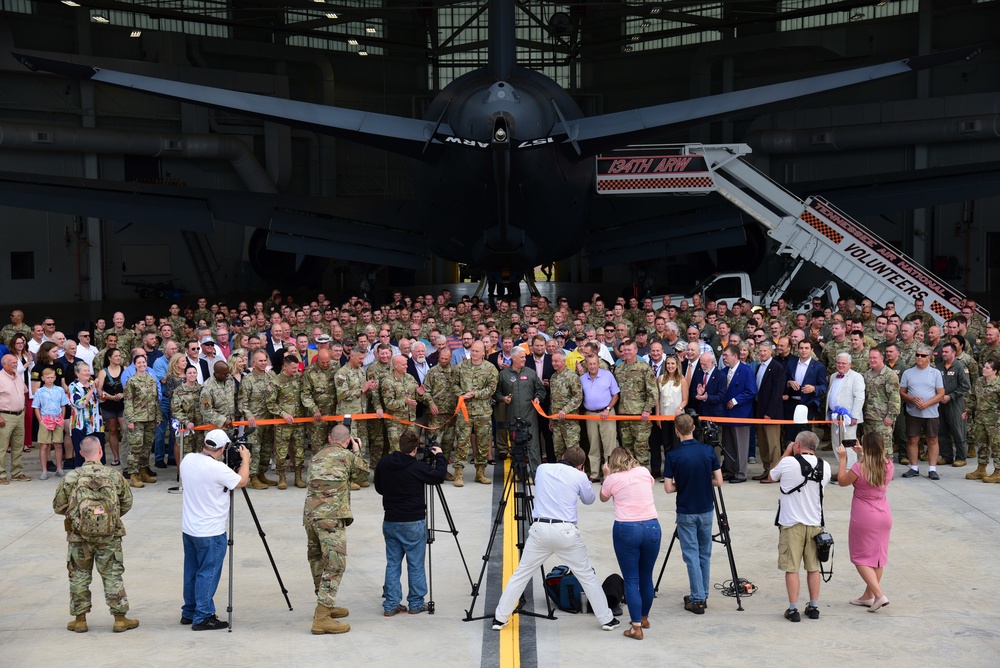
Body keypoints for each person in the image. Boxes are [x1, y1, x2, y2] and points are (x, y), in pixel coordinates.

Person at [492, 446, 620, 633]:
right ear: (580, 465)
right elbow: (589, 499)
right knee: (587, 576)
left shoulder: (543, 469)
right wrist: (590, 476)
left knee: (521, 575)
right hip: (566, 531)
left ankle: (500, 618)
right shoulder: (579, 476)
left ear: (561, 456)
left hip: (540, 529)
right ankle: (607, 620)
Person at [52, 435, 137, 633]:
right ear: (101, 451)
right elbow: (127, 503)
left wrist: (78, 518)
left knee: (79, 576)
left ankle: (80, 620)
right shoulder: (114, 476)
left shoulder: (72, 477)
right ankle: (120, 619)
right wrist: (110, 518)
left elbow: (58, 506)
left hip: (78, 537)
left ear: (81, 454)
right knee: (112, 575)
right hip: (110, 536)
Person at [179, 428, 250, 631]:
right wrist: (245, 459)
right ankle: (203, 616)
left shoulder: (188, 459)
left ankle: (189, 611)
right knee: (208, 572)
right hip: (211, 531)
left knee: (192, 570)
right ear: (223, 448)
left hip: (190, 528)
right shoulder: (217, 469)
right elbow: (242, 481)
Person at [304, 424, 370, 634]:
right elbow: (362, 476)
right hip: (330, 517)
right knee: (335, 565)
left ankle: (325, 604)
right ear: (348, 440)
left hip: (311, 516)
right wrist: (357, 451)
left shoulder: (317, 455)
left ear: (330, 438)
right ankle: (322, 616)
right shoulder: (347, 456)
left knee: (317, 559)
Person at [374, 430, 446, 616]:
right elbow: (438, 477)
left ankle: (391, 604)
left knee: (393, 563)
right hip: (413, 521)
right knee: (415, 564)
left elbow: (379, 488)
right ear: (415, 450)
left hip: (391, 520)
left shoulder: (384, 463)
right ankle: (415, 603)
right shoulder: (416, 467)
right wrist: (439, 457)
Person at [663, 414, 722, 615]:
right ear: (694, 428)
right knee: (704, 553)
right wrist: (702, 481)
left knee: (691, 555)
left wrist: (684, 484)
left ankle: (697, 597)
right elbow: (718, 481)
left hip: (686, 510)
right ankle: (702, 593)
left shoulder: (673, 455)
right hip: (706, 508)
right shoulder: (707, 451)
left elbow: (668, 488)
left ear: (676, 431)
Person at [600, 447, 661, 639]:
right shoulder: (644, 472)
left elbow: (603, 497)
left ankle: (636, 628)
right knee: (646, 576)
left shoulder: (612, 479)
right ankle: (643, 618)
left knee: (631, 579)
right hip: (652, 526)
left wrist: (606, 475)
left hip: (627, 528)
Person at [770, 431, 831, 623]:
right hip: (815, 524)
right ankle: (813, 607)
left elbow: (772, 475)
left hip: (791, 524)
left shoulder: (788, 463)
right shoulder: (825, 466)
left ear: (797, 445)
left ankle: (794, 609)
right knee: (813, 568)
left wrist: (787, 452)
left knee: (792, 568)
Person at [836, 433, 893, 612]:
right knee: (877, 558)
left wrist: (843, 459)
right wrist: (863, 453)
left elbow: (842, 481)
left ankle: (878, 594)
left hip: (864, 515)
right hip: (884, 513)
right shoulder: (888, 465)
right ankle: (868, 596)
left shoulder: (859, 467)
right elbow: (876, 461)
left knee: (860, 557)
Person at [494, 347, 546, 472]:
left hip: (530, 416)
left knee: (533, 445)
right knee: (516, 447)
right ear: (514, 358)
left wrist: (538, 397)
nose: (524, 359)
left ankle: (535, 473)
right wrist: (503, 398)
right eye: (522, 357)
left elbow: (541, 390)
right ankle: (518, 474)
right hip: (512, 416)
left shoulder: (531, 373)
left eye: (524, 357)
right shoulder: (503, 375)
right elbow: (496, 393)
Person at [899, 344, 945, 479]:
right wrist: (912, 399)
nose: (919, 357)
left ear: (929, 357)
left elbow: (941, 393)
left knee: (932, 439)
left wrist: (926, 404)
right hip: (913, 412)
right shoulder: (908, 372)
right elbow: (902, 392)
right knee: (912, 439)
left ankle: (932, 469)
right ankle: (914, 468)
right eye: (917, 355)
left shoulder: (935, 373)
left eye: (923, 355)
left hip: (931, 413)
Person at [652, 355, 687, 479]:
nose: (670, 366)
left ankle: (676, 472)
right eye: (668, 364)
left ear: (677, 365)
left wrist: (680, 409)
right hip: (664, 417)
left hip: (677, 418)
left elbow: (685, 399)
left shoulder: (682, 380)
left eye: (673, 364)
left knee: (675, 445)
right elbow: (658, 399)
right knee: (666, 446)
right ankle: (667, 473)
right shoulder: (660, 379)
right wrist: (657, 415)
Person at [35, 367, 69, 479]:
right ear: (43, 378)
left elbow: (63, 405)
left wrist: (62, 419)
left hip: (57, 419)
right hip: (45, 419)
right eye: (47, 377)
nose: (50, 379)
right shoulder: (39, 392)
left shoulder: (59, 390)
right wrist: (40, 421)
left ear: (55, 378)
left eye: (52, 377)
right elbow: (36, 407)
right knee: (44, 445)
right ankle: (44, 470)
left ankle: (59, 468)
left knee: (58, 444)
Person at [0, 353, 30, 483]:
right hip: (5, 416)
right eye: (12, 362)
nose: (15, 364)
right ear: (4, 364)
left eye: (15, 362)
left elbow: (24, 391)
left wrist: (22, 405)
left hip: (19, 415)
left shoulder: (17, 375)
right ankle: (1, 475)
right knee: (2, 447)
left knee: (18, 446)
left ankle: (17, 472)